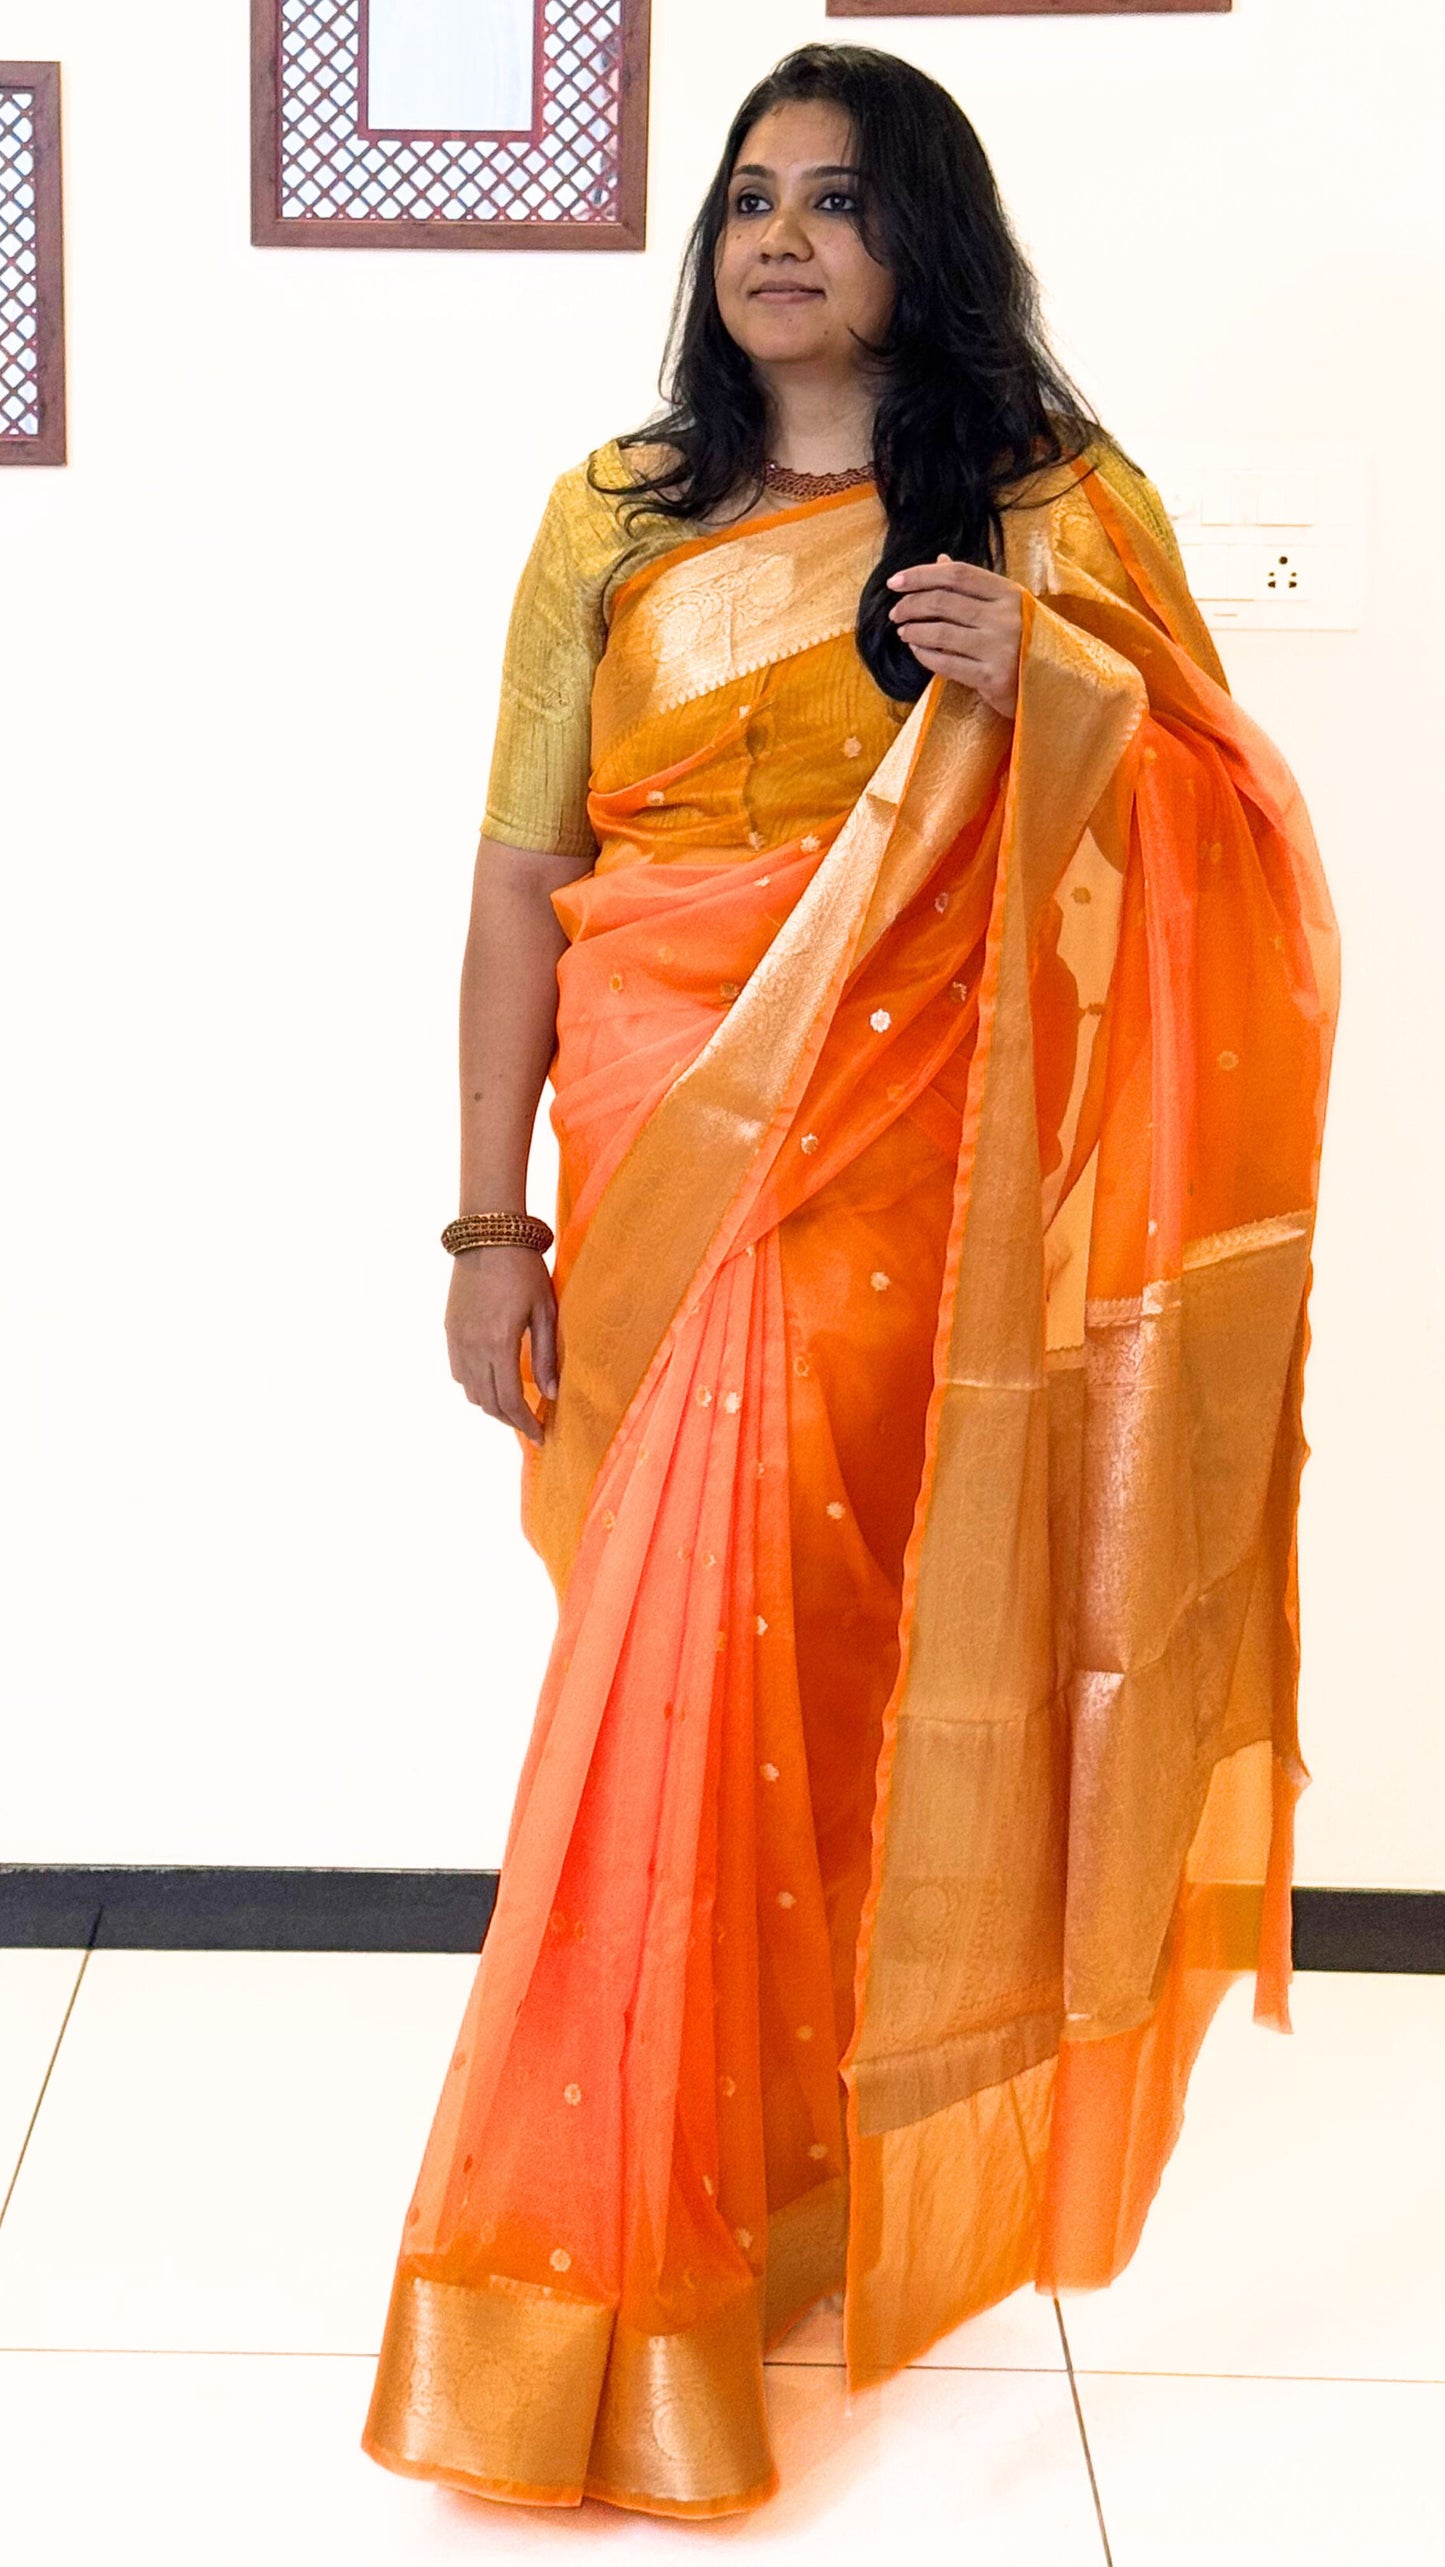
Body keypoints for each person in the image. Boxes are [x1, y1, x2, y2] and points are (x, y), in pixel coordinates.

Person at [362, 42, 1338, 2521]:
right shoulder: (615, 516)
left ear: (932, 233)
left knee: (823, 1690)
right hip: (660, 1155)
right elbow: (515, 879)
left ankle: (749, 2209)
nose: (777, 236)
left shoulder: (1050, 515)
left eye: (836, 195)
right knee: (664, 1677)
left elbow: (1230, 834)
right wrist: (490, 1225)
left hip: (915, 1208)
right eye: (745, 198)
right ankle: (611, 2273)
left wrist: (1062, 693)